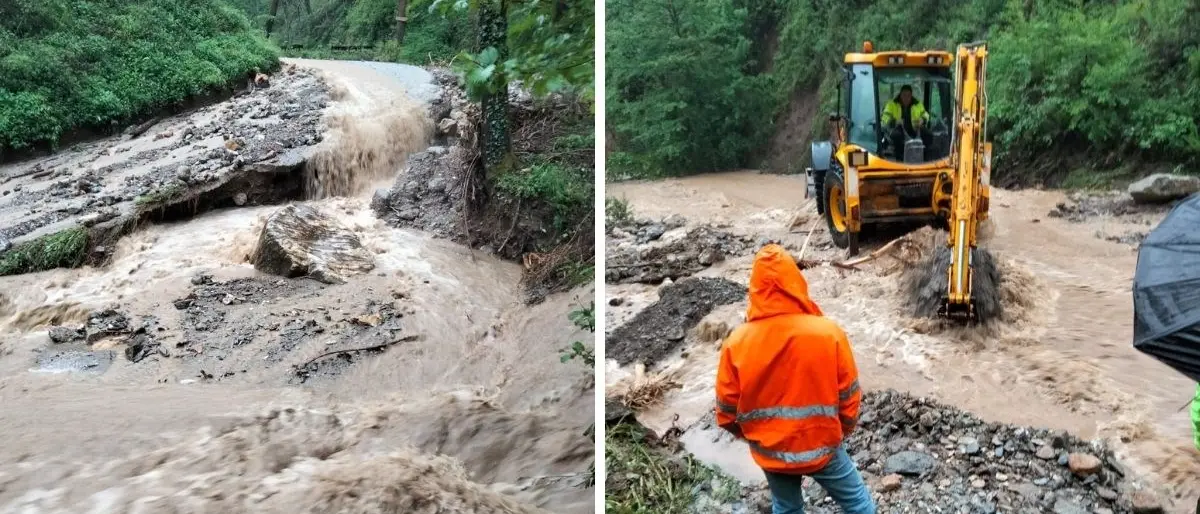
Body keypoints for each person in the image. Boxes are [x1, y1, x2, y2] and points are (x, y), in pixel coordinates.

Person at [715, 243, 875, 514]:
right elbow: (849, 398)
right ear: (795, 281)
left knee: (787, 508)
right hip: (823, 447)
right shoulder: (828, 333)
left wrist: (756, 437)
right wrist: (838, 433)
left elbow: (726, 413)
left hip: (771, 452)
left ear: (754, 289)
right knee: (858, 504)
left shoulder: (736, 342)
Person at [881, 84, 931, 158]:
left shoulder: (918, 104)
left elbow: (926, 114)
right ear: (900, 95)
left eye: (908, 95)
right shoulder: (891, 104)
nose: (906, 98)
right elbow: (884, 118)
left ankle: (925, 157)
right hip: (898, 129)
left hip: (915, 129)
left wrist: (922, 120)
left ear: (911, 96)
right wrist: (894, 121)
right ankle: (900, 158)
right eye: (904, 95)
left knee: (928, 135)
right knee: (897, 136)